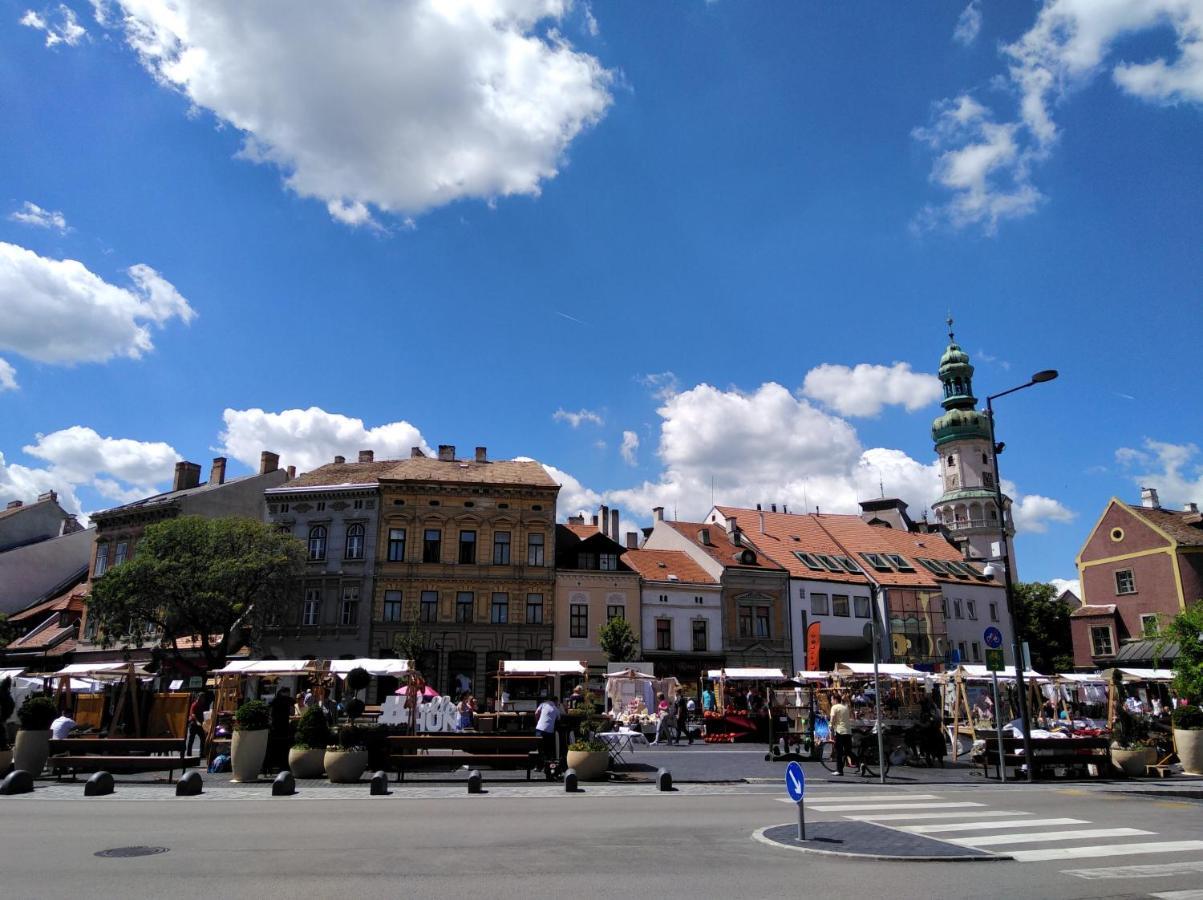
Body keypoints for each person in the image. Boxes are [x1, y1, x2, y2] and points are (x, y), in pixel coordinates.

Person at [534, 695, 561, 770]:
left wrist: (538, 721)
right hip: (549, 731)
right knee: (548, 749)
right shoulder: (555, 709)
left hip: (539, 729)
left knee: (539, 749)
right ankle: (547, 767)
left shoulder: (543, 704)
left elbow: (536, 713)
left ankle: (538, 766)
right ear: (555, 701)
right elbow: (559, 719)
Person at [829, 692, 851, 777]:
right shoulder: (845, 707)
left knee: (839, 752)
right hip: (848, 731)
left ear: (835, 700)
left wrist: (830, 726)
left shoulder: (834, 707)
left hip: (840, 731)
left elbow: (832, 718)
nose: (831, 701)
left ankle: (839, 770)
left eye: (831, 699)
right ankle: (861, 762)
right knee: (848, 751)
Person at [187, 690, 212, 756]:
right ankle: (189, 754)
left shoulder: (202, 705)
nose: (203, 699)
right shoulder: (194, 704)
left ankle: (202, 753)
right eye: (202, 698)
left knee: (203, 738)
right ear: (199, 698)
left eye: (204, 698)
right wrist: (197, 721)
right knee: (191, 739)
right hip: (194, 724)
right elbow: (193, 715)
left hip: (200, 724)